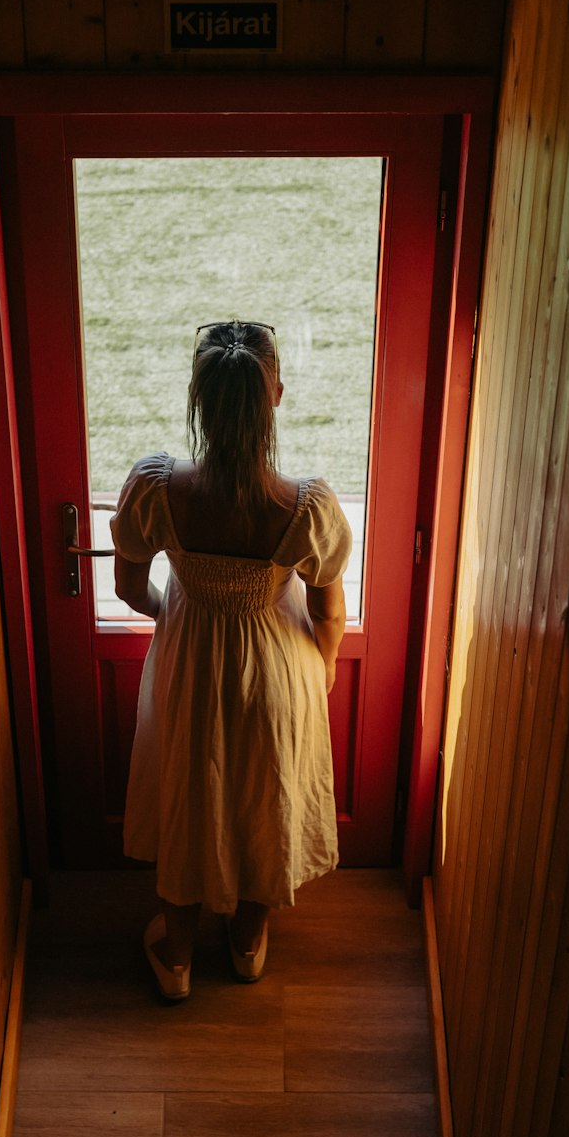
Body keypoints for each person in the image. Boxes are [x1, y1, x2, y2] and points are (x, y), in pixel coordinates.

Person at [110, 320, 351, 1002]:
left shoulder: (156, 489)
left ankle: (179, 958)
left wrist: (181, 616)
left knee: (191, 795)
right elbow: (331, 613)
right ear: (275, 394)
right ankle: (246, 947)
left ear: (198, 398)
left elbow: (130, 588)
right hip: (278, 671)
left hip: (191, 665)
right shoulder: (305, 506)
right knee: (265, 795)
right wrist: (321, 669)